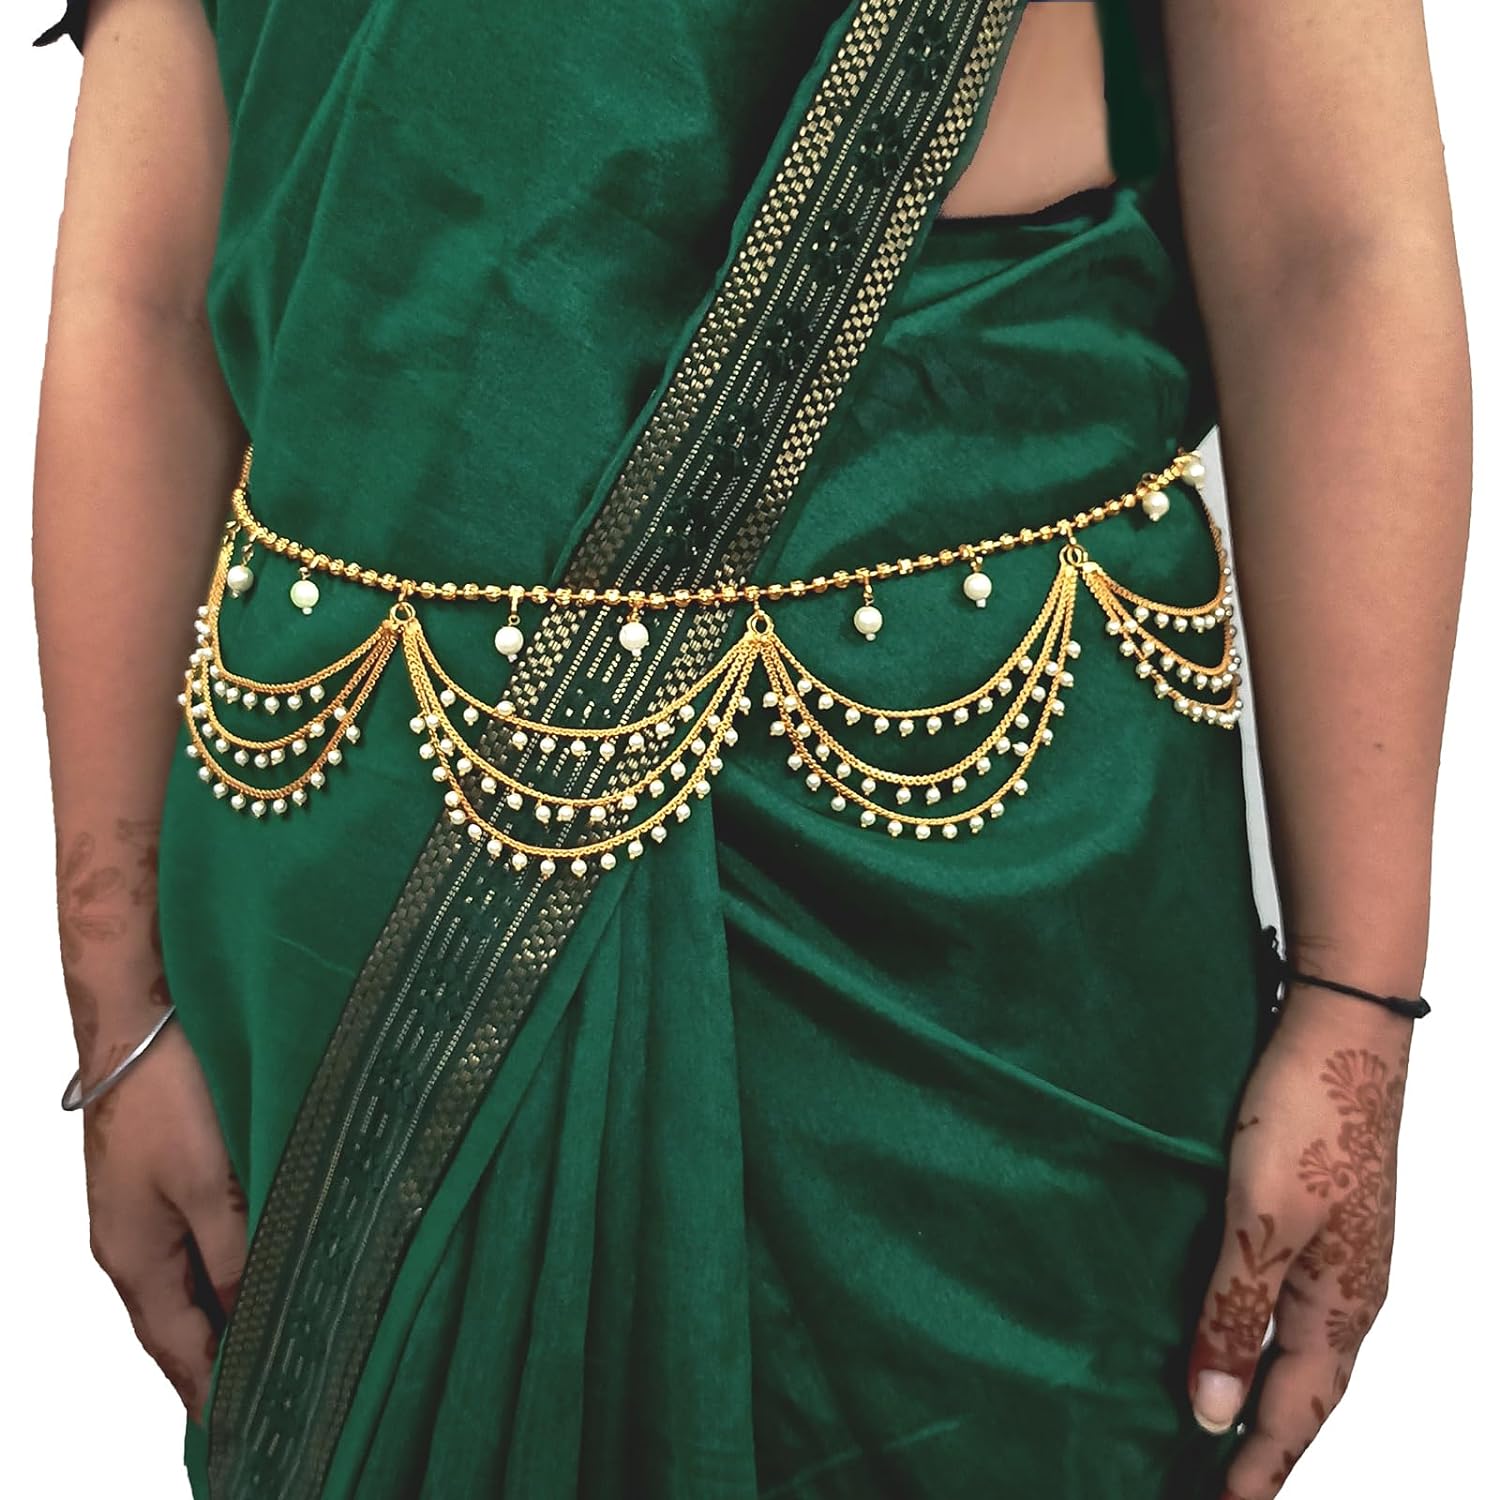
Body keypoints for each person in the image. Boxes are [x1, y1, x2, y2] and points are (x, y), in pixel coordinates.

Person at [31, 1, 1469, 1497]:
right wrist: (115, 1003)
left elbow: (1330, 252)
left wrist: (1357, 1006)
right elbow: (145, 296)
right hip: (364, 899)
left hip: (972, 913)